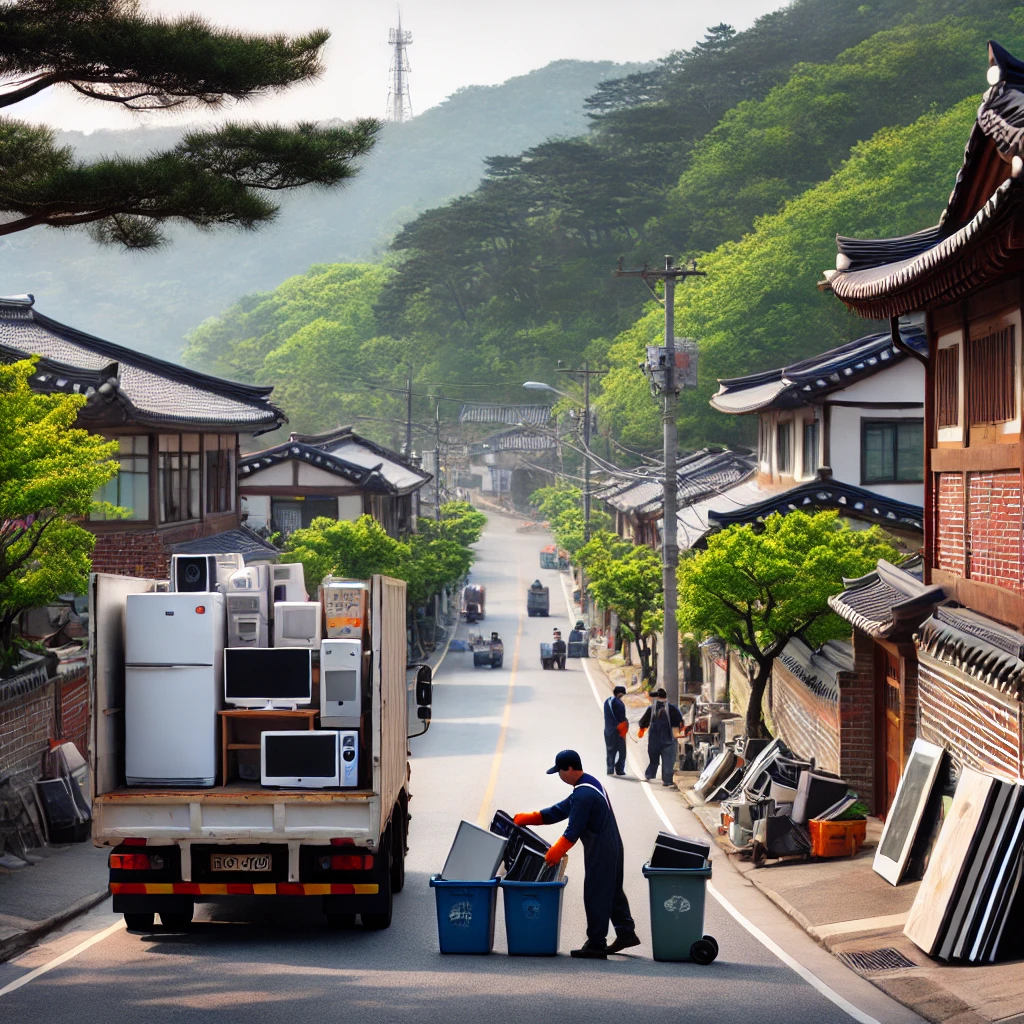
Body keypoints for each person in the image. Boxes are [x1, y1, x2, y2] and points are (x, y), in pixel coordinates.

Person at [513, 750, 640, 959]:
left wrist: (554, 853)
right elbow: (559, 811)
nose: (559, 776)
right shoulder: (588, 784)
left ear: (569, 769)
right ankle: (626, 933)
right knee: (612, 890)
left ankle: (596, 943)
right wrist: (528, 818)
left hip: (601, 848)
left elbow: (573, 831)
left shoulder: (583, 794)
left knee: (596, 893)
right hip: (613, 845)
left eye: (559, 772)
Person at [637, 688, 684, 787]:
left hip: (654, 741)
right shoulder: (673, 709)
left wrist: (641, 729)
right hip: (669, 741)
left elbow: (643, 723)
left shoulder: (651, 709)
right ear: (665, 698)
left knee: (654, 761)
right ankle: (667, 781)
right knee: (668, 762)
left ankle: (649, 775)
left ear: (657, 698)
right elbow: (680, 723)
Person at [603, 685, 628, 777]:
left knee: (610, 750)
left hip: (608, 731)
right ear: (620, 694)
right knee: (622, 752)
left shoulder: (607, 701)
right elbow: (622, 719)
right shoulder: (619, 704)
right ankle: (619, 769)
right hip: (618, 732)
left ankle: (610, 769)